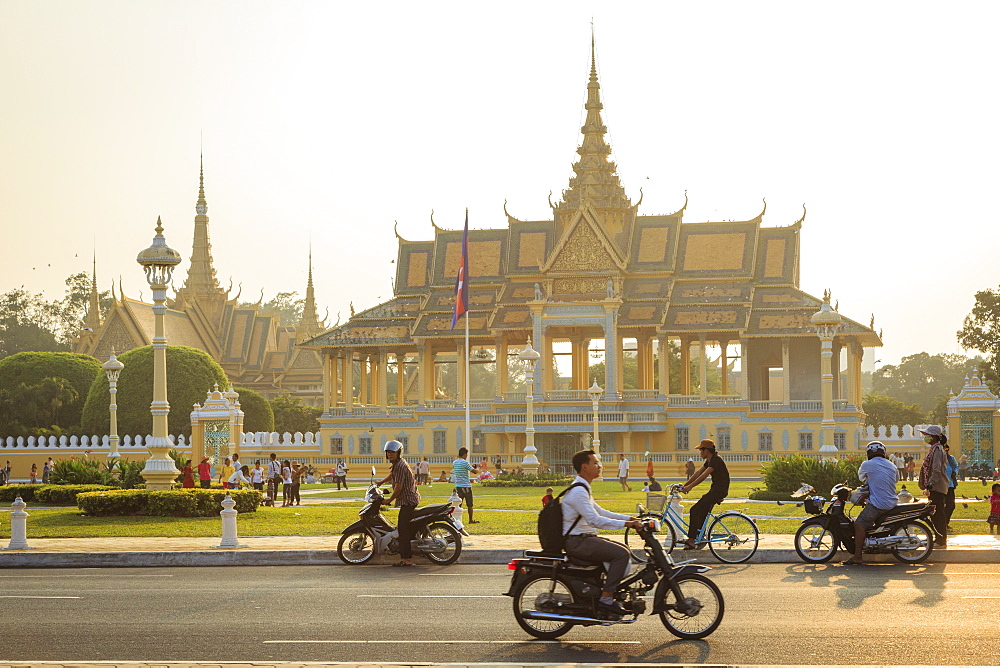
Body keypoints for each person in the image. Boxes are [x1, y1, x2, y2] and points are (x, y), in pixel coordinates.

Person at [562, 449, 643, 617]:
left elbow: (602, 512)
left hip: (585, 539)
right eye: (595, 463)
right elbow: (595, 520)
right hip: (578, 542)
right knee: (621, 554)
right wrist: (627, 524)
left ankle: (606, 591)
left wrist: (631, 518)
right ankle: (606, 600)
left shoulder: (582, 488)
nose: (600, 466)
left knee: (621, 549)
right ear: (585, 467)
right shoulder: (578, 491)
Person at [844, 441, 899, 565]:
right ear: (883, 452)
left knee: (859, 524)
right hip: (892, 502)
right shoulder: (892, 465)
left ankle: (857, 556)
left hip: (879, 504)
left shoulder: (867, 464)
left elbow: (861, 478)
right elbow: (896, 479)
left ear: (868, 453)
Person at [680, 439, 730, 550]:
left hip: (719, 491)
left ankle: (691, 540)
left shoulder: (716, 460)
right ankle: (699, 536)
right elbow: (698, 473)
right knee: (701, 512)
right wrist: (685, 485)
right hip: (715, 490)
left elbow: (704, 476)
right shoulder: (710, 460)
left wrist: (690, 487)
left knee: (694, 510)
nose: (700, 453)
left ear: (706, 450)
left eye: (701, 450)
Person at [377, 440, 420, 567]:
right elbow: (392, 475)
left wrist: (389, 500)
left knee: (402, 529)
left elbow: (398, 487)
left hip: (408, 500)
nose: (390, 454)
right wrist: (381, 482)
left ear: (399, 453)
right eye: (388, 452)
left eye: (393, 452)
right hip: (409, 499)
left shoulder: (400, 466)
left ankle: (407, 559)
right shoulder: (397, 464)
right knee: (405, 526)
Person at [918, 425, 950, 548]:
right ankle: (939, 538)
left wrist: (930, 483)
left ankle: (941, 540)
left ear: (934, 437)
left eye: (928, 435)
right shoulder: (934, 449)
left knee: (938, 514)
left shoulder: (937, 450)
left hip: (937, 486)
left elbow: (936, 469)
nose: (926, 437)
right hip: (935, 486)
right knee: (936, 514)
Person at [452, 447, 480, 523]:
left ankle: (456, 520)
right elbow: (475, 472)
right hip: (466, 485)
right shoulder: (465, 462)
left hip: (458, 485)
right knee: (469, 504)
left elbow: (462, 469)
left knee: (458, 504)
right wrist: (477, 467)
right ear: (464, 454)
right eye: (466, 454)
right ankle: (470, 520)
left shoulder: (454, 463)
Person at [943, 443, 958, 534]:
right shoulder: (939, 459)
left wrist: (955, 472)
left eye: (947, 449)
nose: (946, 451)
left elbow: (956, 466)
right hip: (941, 485)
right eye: (944, 449)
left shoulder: (951, 459)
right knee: (942, 505)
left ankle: (946, 522)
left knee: (951, 505)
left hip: (950, 484)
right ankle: (942, 523)